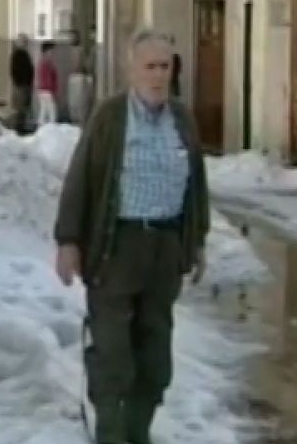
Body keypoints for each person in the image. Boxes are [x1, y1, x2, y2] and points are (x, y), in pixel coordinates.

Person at [51, 29, 211, 444]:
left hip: (164, 249)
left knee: (155, 356)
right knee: (113, 354)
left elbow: (196, 184)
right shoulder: (110, 118)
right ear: (132, 70)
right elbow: (80, 179)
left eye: (165, 67)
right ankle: (110, 433)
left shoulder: (182, 119)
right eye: (150, 66)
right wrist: (68, 241)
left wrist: (197, 241)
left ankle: (138, 432)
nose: (158, 75)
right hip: (117, 247)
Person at [9, 35, 35, 133]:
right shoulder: (17, 54)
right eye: (24, 41)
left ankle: (21, 126)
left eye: (26, 42)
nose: (25, 43)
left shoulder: (24, 53)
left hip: (25, 84)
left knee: (24, 106)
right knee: (20, 107)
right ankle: (18, 128)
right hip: (21, 84)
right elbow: (14, 70)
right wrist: (19, 81)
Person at [36, 41, 59, 126]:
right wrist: (53, 91)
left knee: (44, 111)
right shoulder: (46, 64)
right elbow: (49, 79)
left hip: (44, 91)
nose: (52, 53)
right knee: (52, 113)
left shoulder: (45, 63)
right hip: (47, 91)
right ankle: (50, 128)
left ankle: (41, 128)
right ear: (46, 52)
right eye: (51, 51)